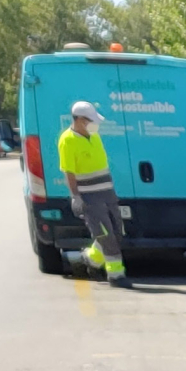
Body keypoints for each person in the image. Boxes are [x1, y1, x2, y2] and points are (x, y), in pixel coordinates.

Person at [58, 101, 127, 285]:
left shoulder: (94, 135)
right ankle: (116, 275)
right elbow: (69, 172)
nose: (95, 124)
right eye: (91, 120)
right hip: (89, 195)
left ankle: (90, 259)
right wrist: (76, 197)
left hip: (106, 191)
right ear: (80, 120)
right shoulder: (67, 141)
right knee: (105, 234)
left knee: (117, 231)